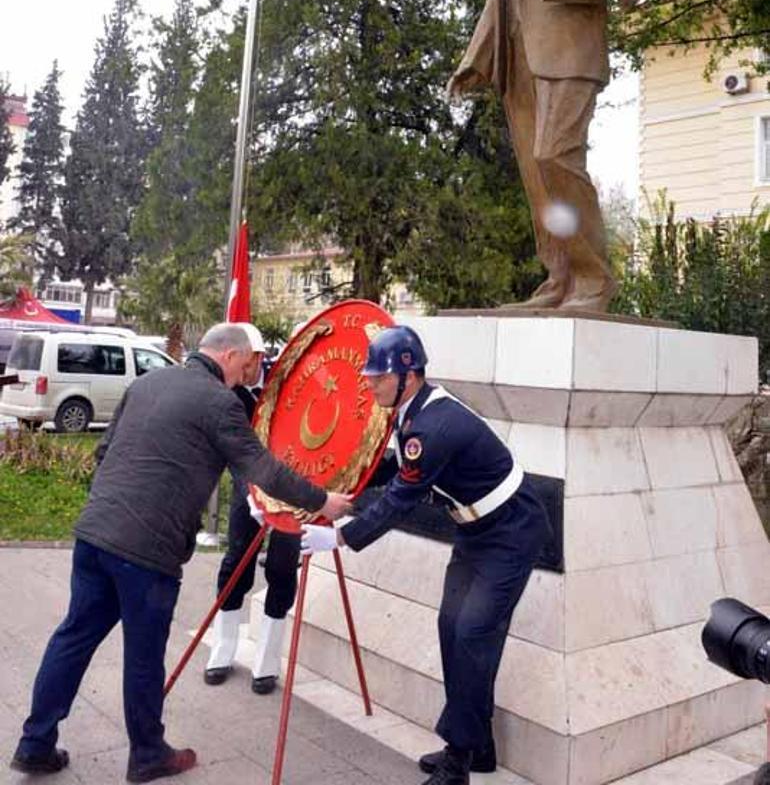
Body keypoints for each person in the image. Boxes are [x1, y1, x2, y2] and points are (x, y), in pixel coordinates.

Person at [10, 323, 352, 783]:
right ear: (229, 356)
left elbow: (104, 453)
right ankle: (148, 754)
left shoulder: (148, 382)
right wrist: (323, 501)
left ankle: (35, 744)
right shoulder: (220, 403)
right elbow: (263, 468)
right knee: (144, 655)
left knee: (73, 637)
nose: (254, 369)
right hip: (147, 552)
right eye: (251, 360)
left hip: (94, 535)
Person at [300, 326, 553, 785]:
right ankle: (480, 747)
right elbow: (398, 466)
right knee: (451, 626)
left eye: (378, 376)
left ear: (408, 374)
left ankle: (458, 761)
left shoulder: (434, 425)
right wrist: (349, 488)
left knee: (474, 631)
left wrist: (340, 537)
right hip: (475, 528)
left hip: (513, 529)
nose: (369, 383)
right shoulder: (410, 412)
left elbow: (402, 498)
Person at [448, 0, 674, 312]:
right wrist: (475, 58)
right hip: (516, 58)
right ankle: (557, 278)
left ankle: (593, 281)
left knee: (556, 155)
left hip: (570, 49)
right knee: (535, 169)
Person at [204, 321, 302, 695]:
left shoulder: (287, 381)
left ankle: (267, 660)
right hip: (250, 491)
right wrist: (253, 495)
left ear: (256, 358)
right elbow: (232, 450)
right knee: (235, 563)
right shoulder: (229, 391)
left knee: (281, 569)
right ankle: (223, 648)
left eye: (244, 362)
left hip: (292, 492)